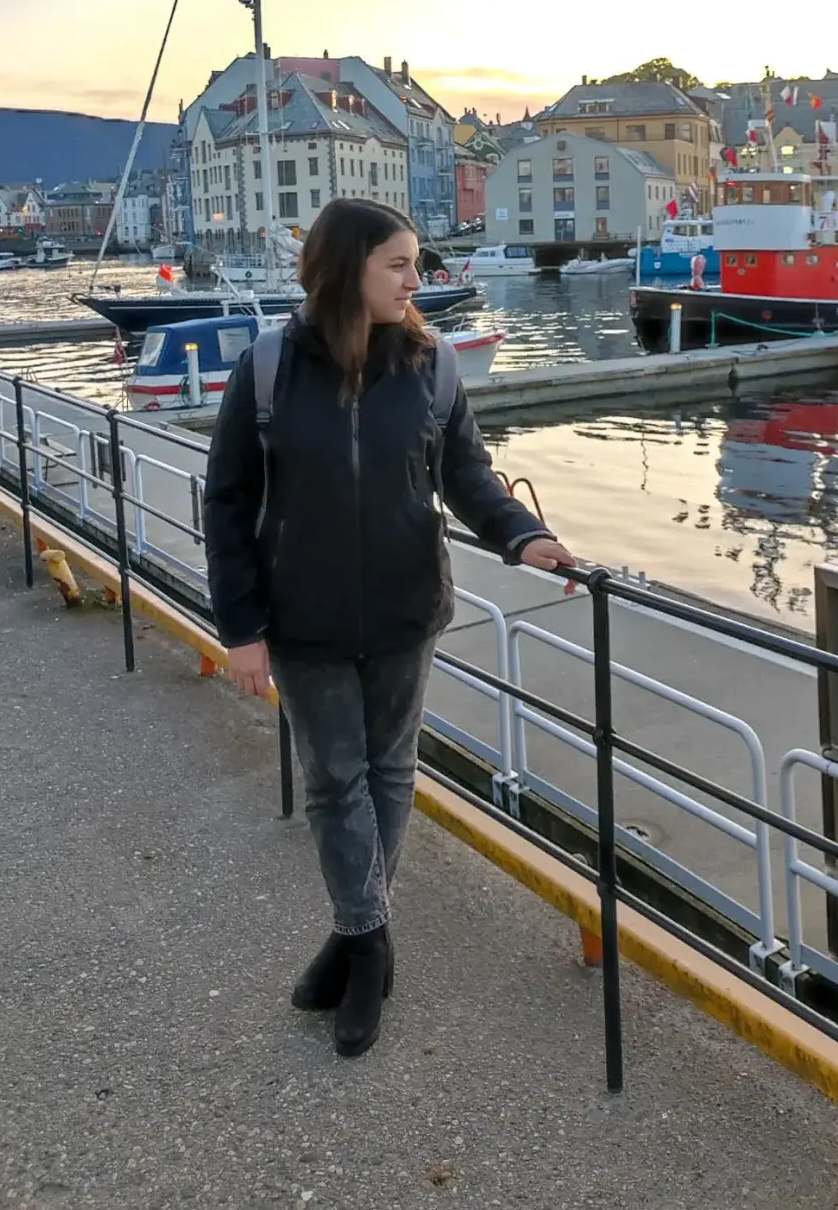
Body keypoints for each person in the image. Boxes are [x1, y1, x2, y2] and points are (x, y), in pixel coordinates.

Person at [203, 200, 577, 1058]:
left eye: (417, 264)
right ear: (345, 270)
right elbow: (227, 504)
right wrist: (241, 628)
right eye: (399, 266)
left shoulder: (432, 364)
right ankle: (370, 948)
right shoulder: (267, 370)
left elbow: (466, 475)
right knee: (336, 782)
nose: (418, 281)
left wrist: (525, 536)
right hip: (302, 620)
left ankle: (353, 936)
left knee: (390, 773)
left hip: (409, 611)